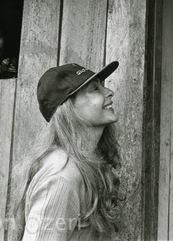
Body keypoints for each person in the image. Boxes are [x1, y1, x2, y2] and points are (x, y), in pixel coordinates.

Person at [10, 61, 123, 240]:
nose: (109, 92)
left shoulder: (83, 164)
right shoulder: (62, 176)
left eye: (102, 86)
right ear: (69, 108)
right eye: (95, 89)